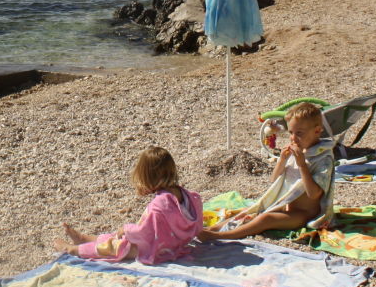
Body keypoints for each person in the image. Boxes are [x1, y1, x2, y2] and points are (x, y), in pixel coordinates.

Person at [198, 101, 336, 241]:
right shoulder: (299, 152)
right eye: (291, 132)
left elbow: (314, 194)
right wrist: (282, 160)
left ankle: (220, 236)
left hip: (304, 213)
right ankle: (212, 229)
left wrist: (302, 165)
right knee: (251, 212)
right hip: (286, 205)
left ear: (317, 131)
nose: (293, 138)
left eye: (299, 133)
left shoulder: (322, 159)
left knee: (266, 218)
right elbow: (274, 180)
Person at [54, 145, 202, 265]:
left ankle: (72, 249)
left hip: (155, 248)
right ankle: (85, 238)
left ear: (147, 176)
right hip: (172, 245)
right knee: (117, 237)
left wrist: (126, 228)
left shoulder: (159, 204)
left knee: (116, 246)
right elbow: (197, 226)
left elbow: (143, 232)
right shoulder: (188, 196)